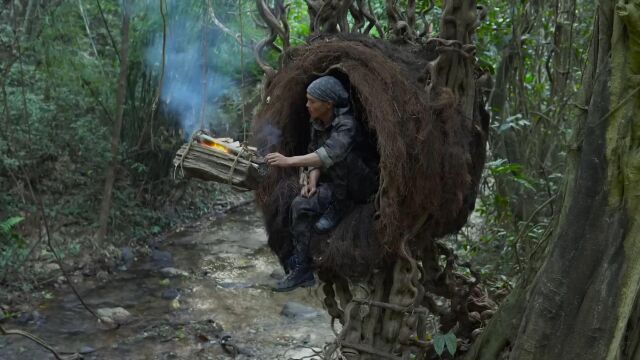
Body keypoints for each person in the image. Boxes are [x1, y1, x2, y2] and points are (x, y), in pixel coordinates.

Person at [265, 76, 378, 292]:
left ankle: (342, 206)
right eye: (307, 100)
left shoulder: (347, 125)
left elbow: (329, 154)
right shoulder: (317, 123)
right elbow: (315, 153)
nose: (307, 105)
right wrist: (312, 180)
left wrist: (288, 161)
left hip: (359, 185)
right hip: (334, 184)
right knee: (300, 204)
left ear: (329, 104)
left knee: (346, 159)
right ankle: (302, 269)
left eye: (312, 101)